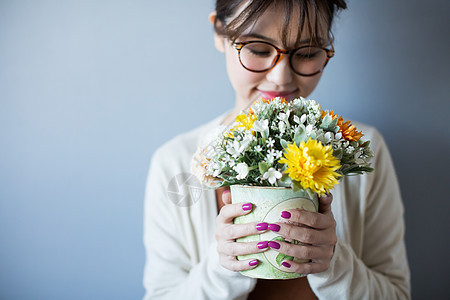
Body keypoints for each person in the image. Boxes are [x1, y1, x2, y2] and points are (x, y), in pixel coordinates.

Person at [143, 0, 411, 299]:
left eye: (307, 53)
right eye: (258, 50)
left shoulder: (363, 149)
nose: (281, 77)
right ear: (220, 33)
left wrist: (334, 264)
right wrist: (223, 268)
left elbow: (397, 294)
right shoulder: (174, 163)